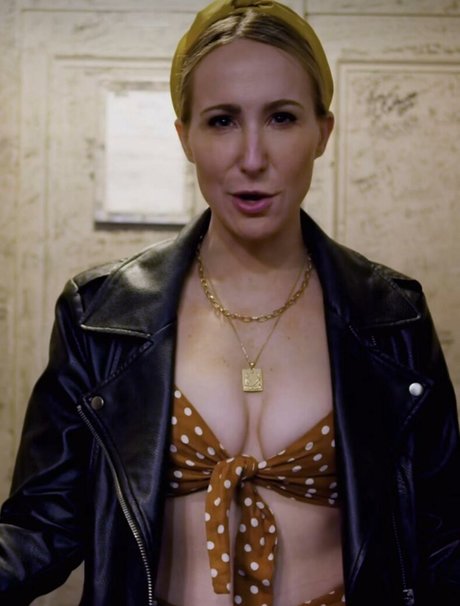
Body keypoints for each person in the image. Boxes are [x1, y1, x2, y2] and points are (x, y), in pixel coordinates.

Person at [1, 0, 459, 605]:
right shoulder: (101, 315)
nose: (252, 158)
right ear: (185, 136)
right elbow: (42, 525)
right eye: (221, 121)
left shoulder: (393, 316)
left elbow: (443, 536)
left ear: (323, 132)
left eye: (282, 118)